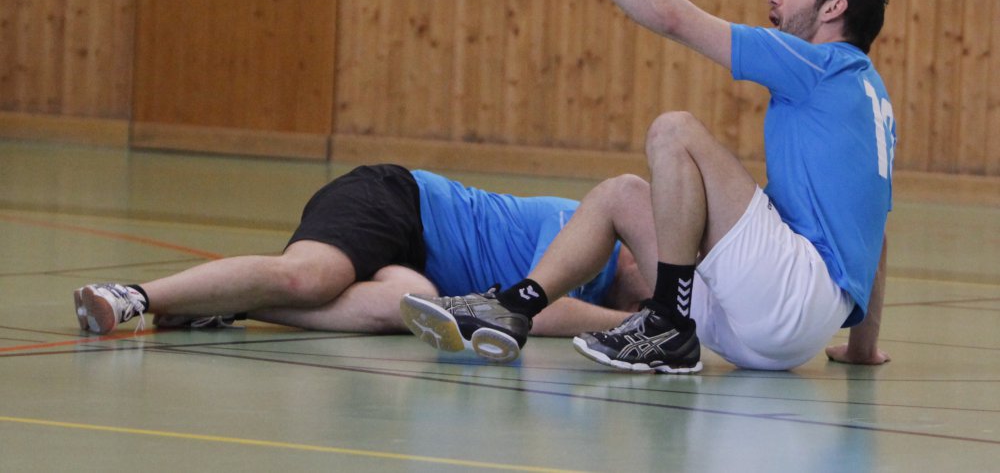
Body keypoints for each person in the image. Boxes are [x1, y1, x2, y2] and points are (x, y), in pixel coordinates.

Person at [400, 0, 894, 372]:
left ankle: (667, 323)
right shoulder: (871, 101)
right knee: (621, 194)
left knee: (676, 130)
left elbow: (673, 19)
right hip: (779, 331)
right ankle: (514, 306)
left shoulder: (822, 65)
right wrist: (862, 348)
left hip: (788, 295)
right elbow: (878, 234)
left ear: (834, 8)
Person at [73, 165, 652, 342]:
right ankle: (133, 296)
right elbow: (536, 312)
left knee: (408, 305)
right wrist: (631, 324)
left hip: (421, 272)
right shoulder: (583, 227)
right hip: (400, 202)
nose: (650, 298)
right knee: (310, 277)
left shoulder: (599, 289)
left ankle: (225, 303)